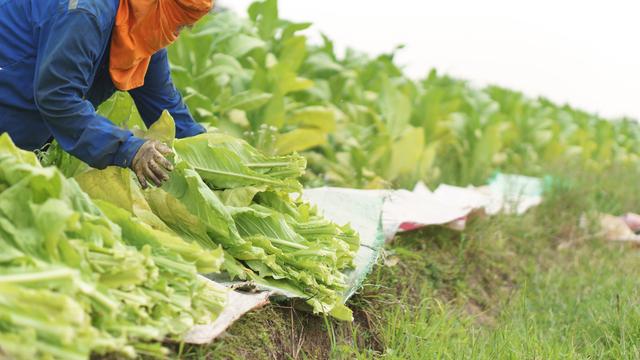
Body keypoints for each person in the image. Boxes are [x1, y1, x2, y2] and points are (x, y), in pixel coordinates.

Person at [0, 0, 213, 188]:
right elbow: (58, 98)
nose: (190, 27)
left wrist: (215, 158)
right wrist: (129, 150)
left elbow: (167, 107)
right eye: (182, 21)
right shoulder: (86, 12)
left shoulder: (142, 32)